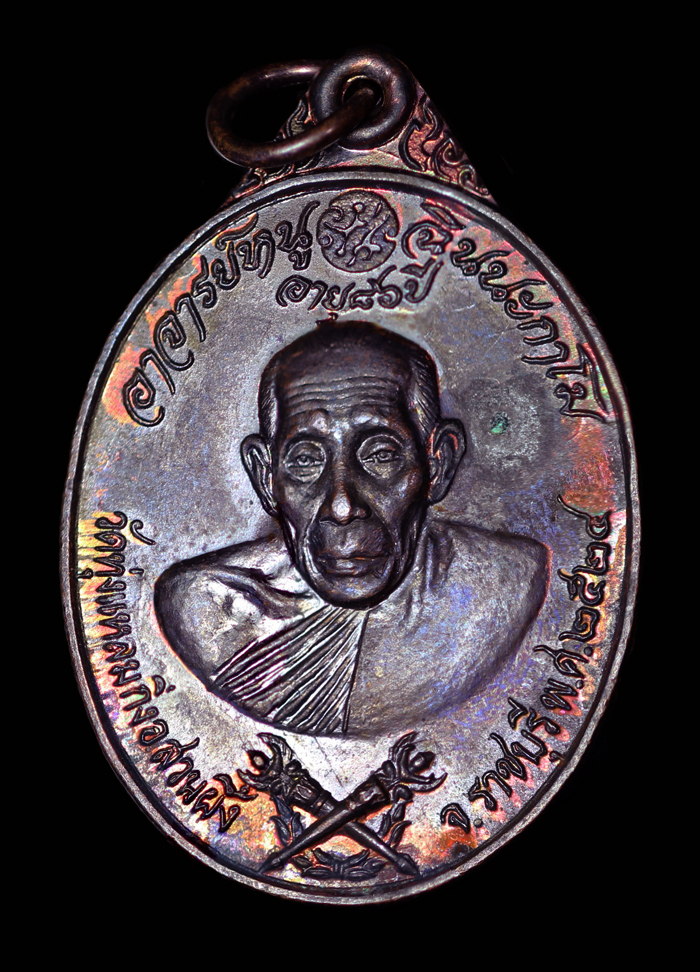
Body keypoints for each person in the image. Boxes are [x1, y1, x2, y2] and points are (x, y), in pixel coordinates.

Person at [155, 320, 548, 738]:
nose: (342, 506)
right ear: (265, 476)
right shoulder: (206, 607)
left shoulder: (508, 582)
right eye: (306, 461)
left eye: (380, 455)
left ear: (438, 463)